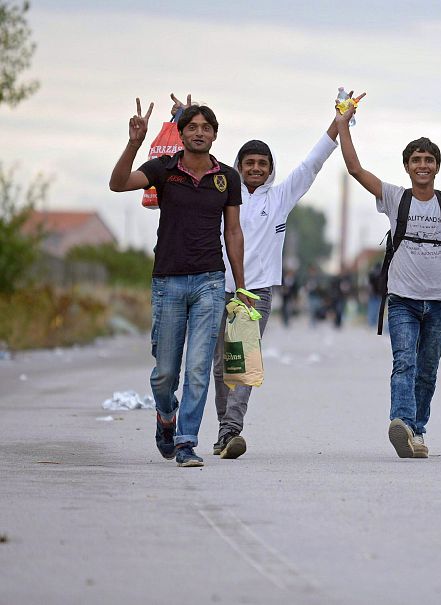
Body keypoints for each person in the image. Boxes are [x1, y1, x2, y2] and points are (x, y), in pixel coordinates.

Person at [166, 95, 342, 459]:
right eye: (250, 163)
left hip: (255, 294)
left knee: (241, 361)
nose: (256, 168)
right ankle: (224, 432)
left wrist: (339, 122)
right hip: (216, 288)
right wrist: (181, 118)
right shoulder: (222, 191)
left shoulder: (279, 198)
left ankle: (232, 428)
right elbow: (193, 159)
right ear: (239, 166)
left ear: (271, 169)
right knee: (219, 364)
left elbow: (312, 164)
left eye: (263, 164)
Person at [335, 95, 441, 458]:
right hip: (402, 299)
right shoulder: (395, 198)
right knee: (405, 362)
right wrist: (343, 125)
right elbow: (355, 169)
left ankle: (417, 431)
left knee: (427, 370)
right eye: (416, 160)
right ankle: (401, 423)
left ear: (437, 167)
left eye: (428, 160)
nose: (422, 165)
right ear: (407, 167)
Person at [109, 98, 249, 467]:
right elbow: (118, 183)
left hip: (210, 282)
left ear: (215, 135)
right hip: (168, 282)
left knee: (199, 369)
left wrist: (241, 285)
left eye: (206, 127)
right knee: (165, 373)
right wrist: (134, 143)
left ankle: (186, 442)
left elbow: (233, 232)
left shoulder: (227, 177)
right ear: (181, 134)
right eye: (192, 127)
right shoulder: (163, 169)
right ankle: (166, 416)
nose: (199, 132)